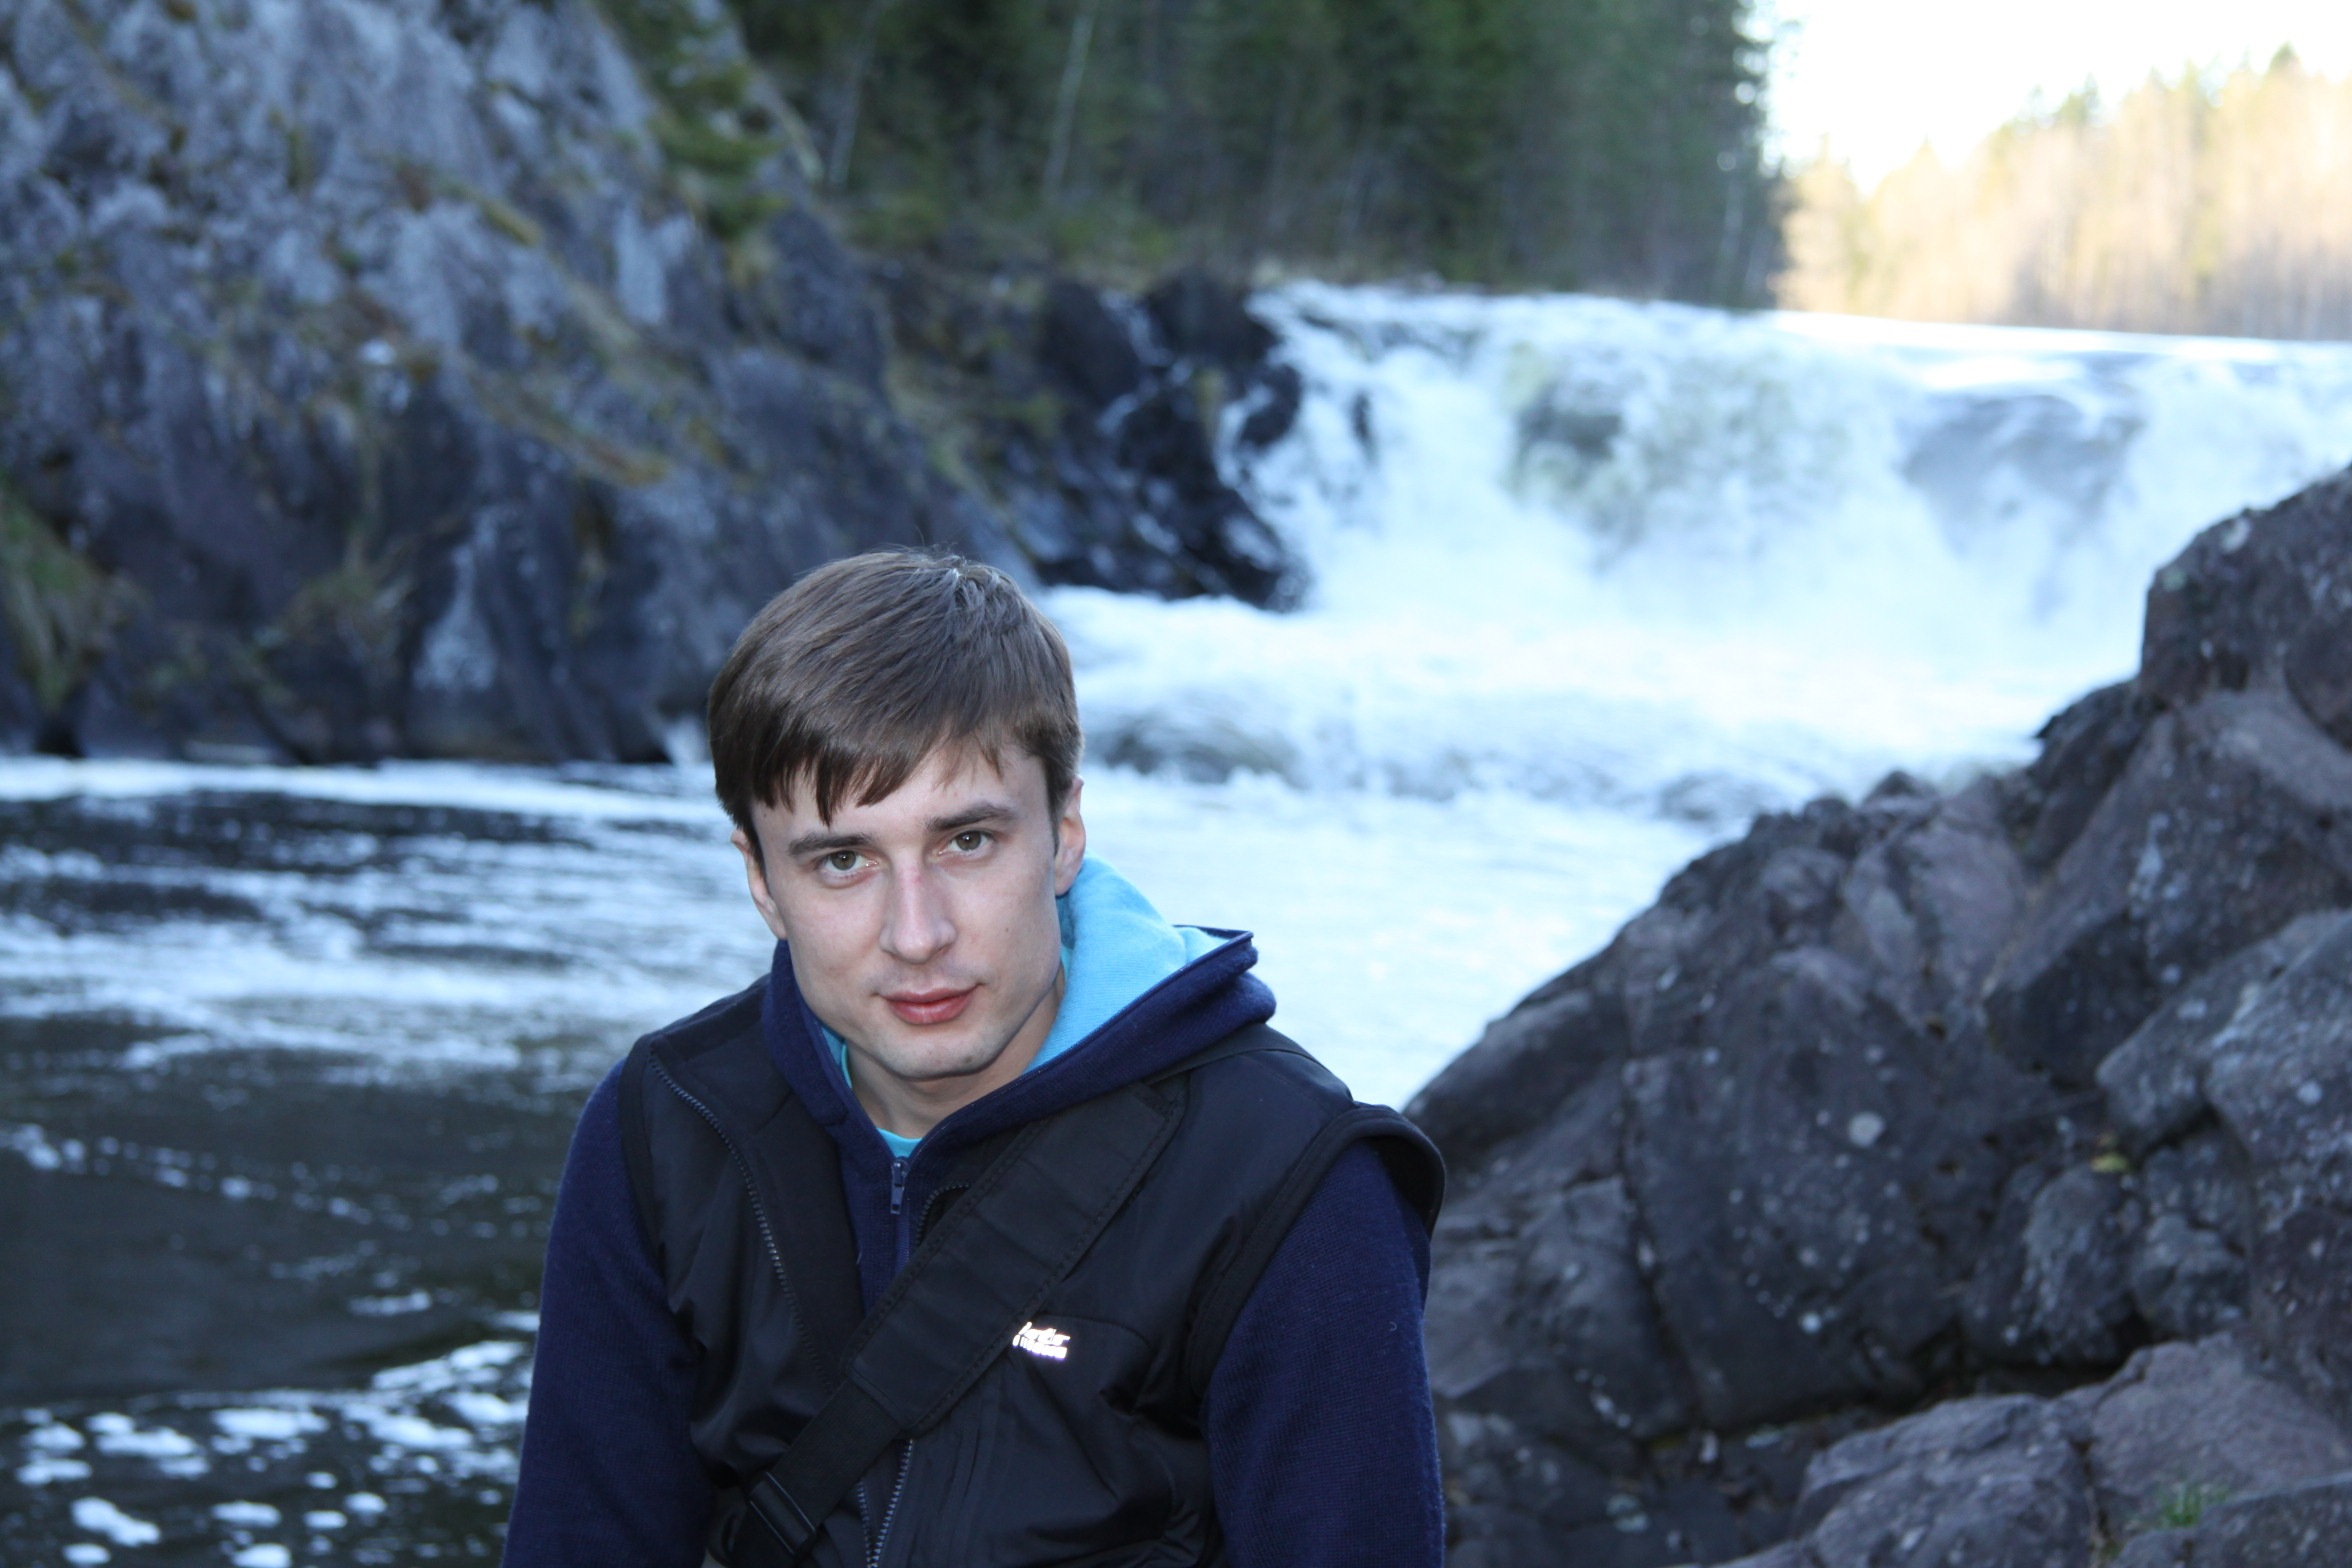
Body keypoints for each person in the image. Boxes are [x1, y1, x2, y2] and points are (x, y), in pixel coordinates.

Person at [503, 550, 1445, 1568]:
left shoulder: (1289, 1179)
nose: (917, 934)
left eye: (967, 842)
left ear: (1065, 830)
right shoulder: (669, 1126)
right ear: (762, 881)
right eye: (843, 860)